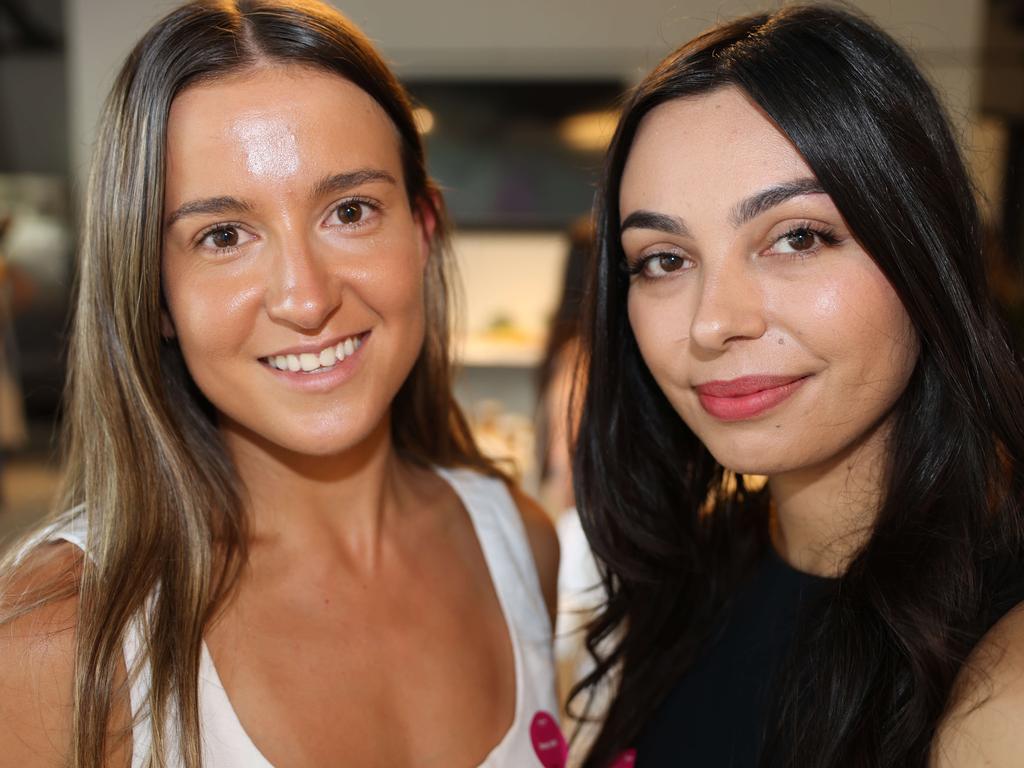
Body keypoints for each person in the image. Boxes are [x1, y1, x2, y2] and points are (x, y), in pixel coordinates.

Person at [0, 2, 559, 766]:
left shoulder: (518, 544)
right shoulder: (61, 642)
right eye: (223, 236)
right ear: (154, 295)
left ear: (424, 231)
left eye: (351, 210)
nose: (305, 298)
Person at [570, 5, 1024, 768]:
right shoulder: (695, 577)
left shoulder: (999, 682)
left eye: (798, 238)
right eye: (664, 259)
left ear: (924, 245)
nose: (713, 323)